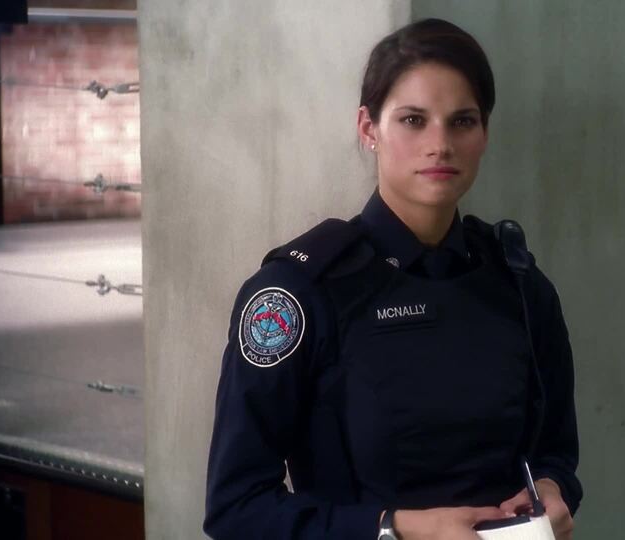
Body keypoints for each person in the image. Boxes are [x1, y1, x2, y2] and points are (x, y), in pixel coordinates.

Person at [204, 18, 581, 540]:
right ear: (369, 128)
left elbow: (555, 452)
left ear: (484, 134)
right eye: (413, 120)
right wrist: (395, 529)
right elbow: (236, 508)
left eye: (462, 121)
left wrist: (553, 489)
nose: (440, 144)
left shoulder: (519, 283)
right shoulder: (297, 294)